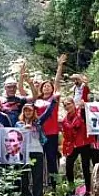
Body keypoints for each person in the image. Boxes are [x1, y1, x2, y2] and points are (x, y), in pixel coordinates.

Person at [34, 55, 65, 185]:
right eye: (44, 86)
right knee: (39, 160)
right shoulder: (37, 101)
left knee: (52, 159)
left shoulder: (54, 99)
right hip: (38, 133)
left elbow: (57, 82)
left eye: (49, 86)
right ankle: (41, 185)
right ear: (41, 88)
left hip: (52, 133)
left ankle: (55, 186)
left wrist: (59, 66)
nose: (47, 87)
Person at [60, 96, 97, 193]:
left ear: (73, 104)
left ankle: (89, 190)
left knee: (85, 166)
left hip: (85, 143)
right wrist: (65, 149)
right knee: (68, 166)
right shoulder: (64, 120)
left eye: (69, 104)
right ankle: (72, 189)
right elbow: (66, 137)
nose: (67, 106)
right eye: (65, 105)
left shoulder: (81, 113)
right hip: (73, 145)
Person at [16, 105, 45, 196]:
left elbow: (47, 114)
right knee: (23, 178)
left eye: (30, 110)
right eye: (25, 110)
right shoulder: (18, 124)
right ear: (23, 112)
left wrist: (32, 128)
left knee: (37, 178)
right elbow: (14, 136)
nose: (28, 112)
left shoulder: (38, 123)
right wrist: (24, 128)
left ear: (33, 112)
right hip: (23, 153)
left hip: (36, 151)